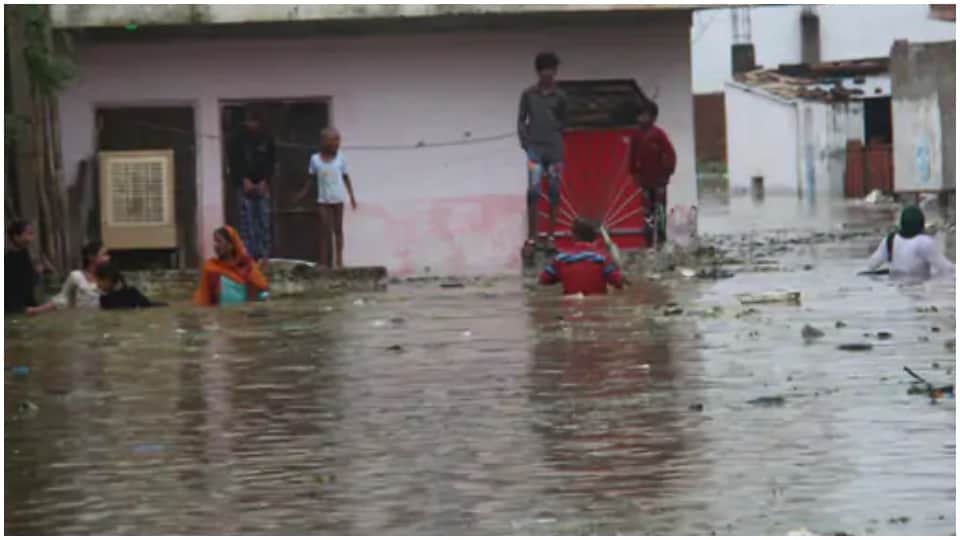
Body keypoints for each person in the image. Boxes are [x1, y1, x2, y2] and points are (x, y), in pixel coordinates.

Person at [518, 51, 567, 253]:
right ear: (538, 72)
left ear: (555, 72)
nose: (548, 73)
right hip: (535, 150)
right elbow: (521, 120)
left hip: (555, 150)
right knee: (533, 191)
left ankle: (551, 236)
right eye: (544, 70)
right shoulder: (528, 95)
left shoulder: (561, 96)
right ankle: (532, 236)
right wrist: (526, 142)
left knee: (555, 190)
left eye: (551, 70)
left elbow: (565, 121)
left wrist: (556, 135)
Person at [296, 127, 358, 269]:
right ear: (325, 142)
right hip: (323, 200)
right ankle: (323, 261)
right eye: (334, 140)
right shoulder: (315, 159)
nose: (337, 143)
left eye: (338, 140)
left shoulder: (341, 158)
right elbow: (311, 179)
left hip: (338, 199)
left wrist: (352, 196)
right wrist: (302, 194)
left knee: (338, 230)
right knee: (325, 230)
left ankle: (339, 261)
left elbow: (345, 177)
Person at [227, 110, 276, 266]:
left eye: (254, 121)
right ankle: (247, 256)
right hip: (243, 185)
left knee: (263, 221)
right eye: (249, 121)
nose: (251, 125)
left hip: (262, 184)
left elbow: (271, 162)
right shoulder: (236, 140)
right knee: (246, 222)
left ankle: (263, 256)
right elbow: (233, 162)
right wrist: (243, 179)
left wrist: (266, 180)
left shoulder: (267, 139)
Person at [629, 99, 676, 247]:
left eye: (645, 115)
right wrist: (634, 174)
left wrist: (667, 174)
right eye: (640, 115)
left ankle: (661, 239)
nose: (642, 118)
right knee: (647, 212)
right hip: (644, 181)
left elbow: (671, 155)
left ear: (653, 117)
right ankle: (648, 240)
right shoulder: (636, 135)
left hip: (659, 181)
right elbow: (632, 157)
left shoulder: (659, 134)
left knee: (660, 210)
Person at [539, 218, 626, 295]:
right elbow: (620, 283)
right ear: (595, 237)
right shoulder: (602, 258)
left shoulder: (560, 258)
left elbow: (543, 280)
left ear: (574, 236)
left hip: (569, 304)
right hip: (596, 303)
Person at [864, 206, 955, 279]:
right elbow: (946, 269)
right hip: (918, 286)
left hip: (896, 288)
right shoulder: (924, 242)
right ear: (921, 223)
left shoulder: (890, 239)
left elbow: (871, 265)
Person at [194, 226, 269, 306]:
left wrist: (259, 298)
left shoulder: (247, 266)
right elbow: (204, 299)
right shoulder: (211, 268)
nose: (215, 245)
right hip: (221, 313)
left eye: (219, 241)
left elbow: (264, 292)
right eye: (215, 241)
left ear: (231, 245)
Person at [28, 242, 111, 314]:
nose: (108, 258)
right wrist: (36, 310)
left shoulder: (109, 278)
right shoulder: (76, 276)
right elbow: (61, 300)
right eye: (104, 255)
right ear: (91, 256)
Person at [5, 220, 40, 314]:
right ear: (16, 237)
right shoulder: (7, 260)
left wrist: (38, 272)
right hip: (12, 308)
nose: (31, 238)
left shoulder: (26, 254)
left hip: (29, 305)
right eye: (28, 234)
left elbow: (30, 281)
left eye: (32, 234)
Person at [96, 264, 164, 310]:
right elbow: (149, 305)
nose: (98, 285)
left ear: (107, 280)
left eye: (99, 281)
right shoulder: (133, 292)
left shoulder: (105, 300)